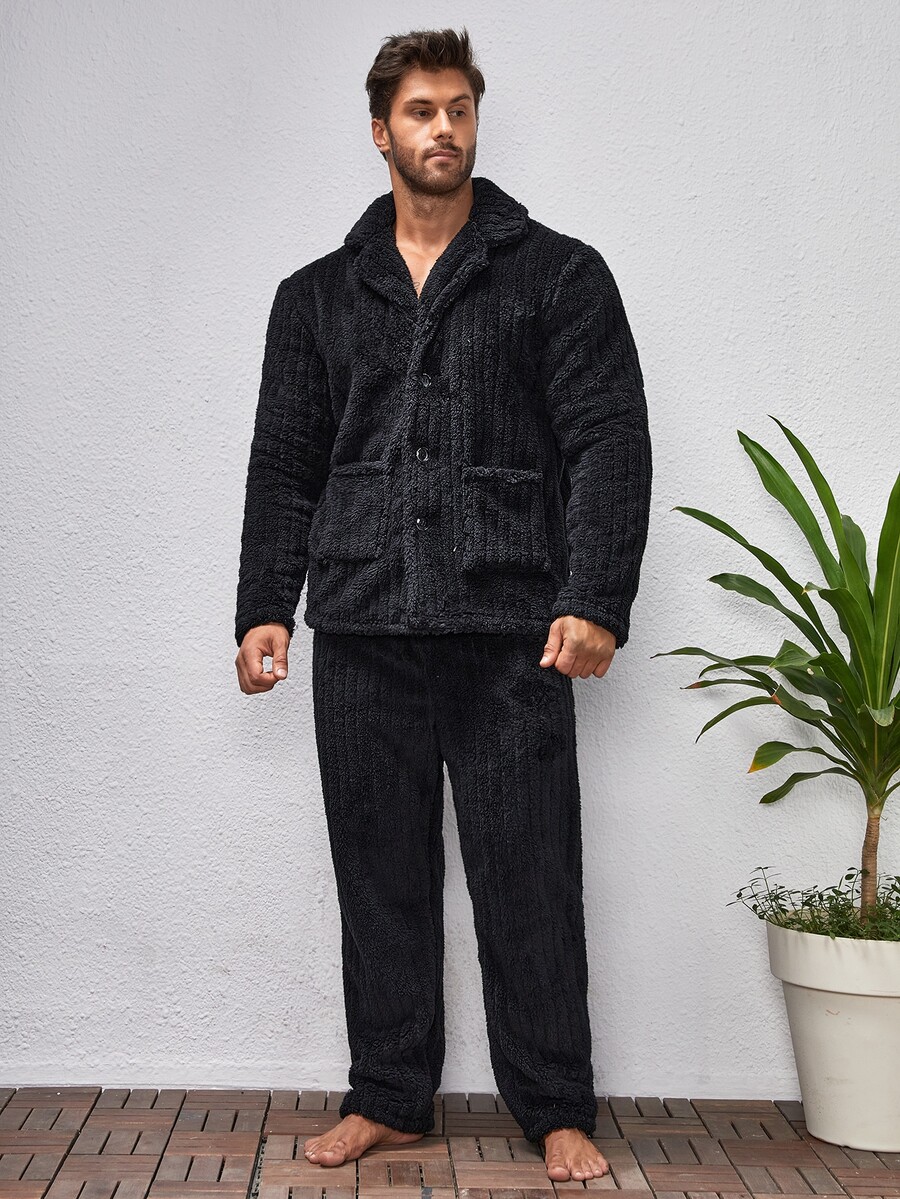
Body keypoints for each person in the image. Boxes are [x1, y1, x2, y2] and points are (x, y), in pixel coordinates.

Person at [234, 26, 652, 1184]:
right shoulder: (316, 296)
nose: (444, 128)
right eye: (421, 110)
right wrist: (265, 603)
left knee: (531, 875)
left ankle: (554, 1104)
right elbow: (285, 460)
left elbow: (608, 440)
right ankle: (389, 1095)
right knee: (380, 880)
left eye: (459, 108)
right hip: (361, 627)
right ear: (382, 130)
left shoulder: (558, 275)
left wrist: (595, 596)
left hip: (512, 631)